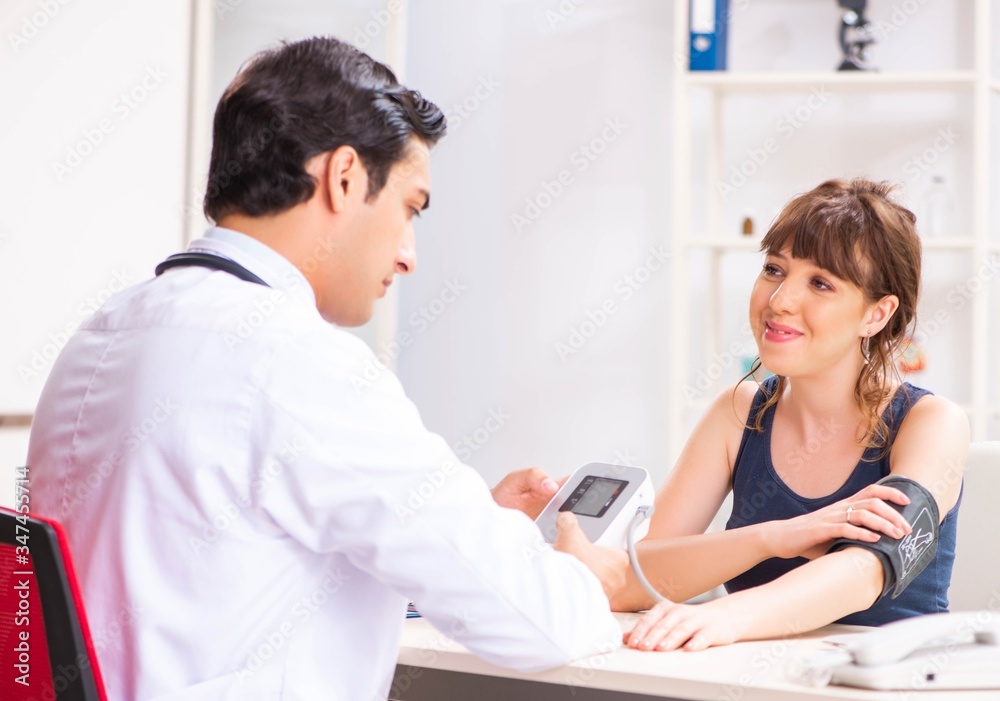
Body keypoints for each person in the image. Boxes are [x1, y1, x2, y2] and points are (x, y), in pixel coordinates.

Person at [27, 37, 625, 700]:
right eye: (410, 208)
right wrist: (574, 572)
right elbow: (538, 623)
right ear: (343, 177)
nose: (408, 255)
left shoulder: (103, 331)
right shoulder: (297, 362)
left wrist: (461, 529)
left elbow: (216, 573)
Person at [606, 178, 968, 650]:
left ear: (877, 315)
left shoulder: (930, 422)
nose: (779, 301)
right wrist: (772, 538)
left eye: (820, 283)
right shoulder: (740, 413)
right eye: (774, 270)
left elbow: (868, 568)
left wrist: (732, 615)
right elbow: (637, 579)